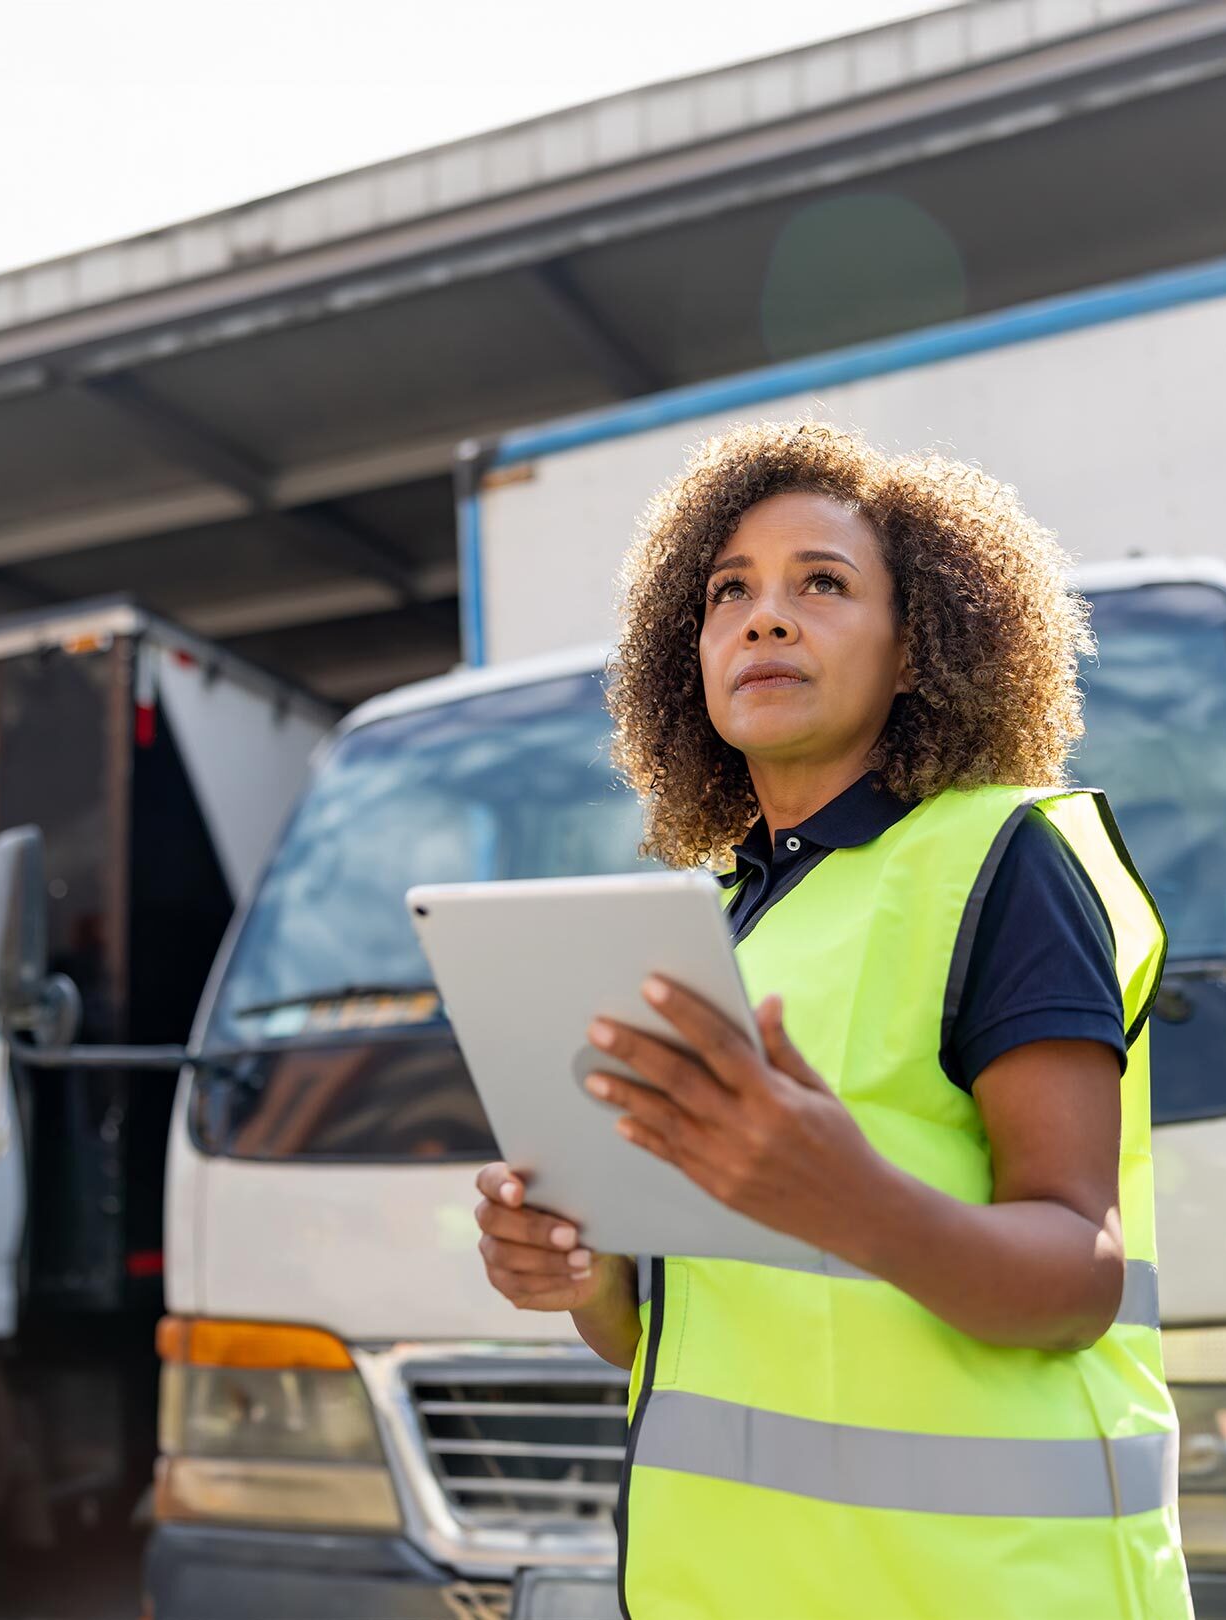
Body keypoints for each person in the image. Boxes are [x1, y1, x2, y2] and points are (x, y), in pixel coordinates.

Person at [471, 420, 1187, 1617]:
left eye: (823, 583)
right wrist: (584, 1277)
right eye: (728, 592)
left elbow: (1080, 1275)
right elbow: (675, 1333)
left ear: (918, 651)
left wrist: (848, 1197)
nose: (763, 616)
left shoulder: (1000, 856)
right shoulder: (709, 925)